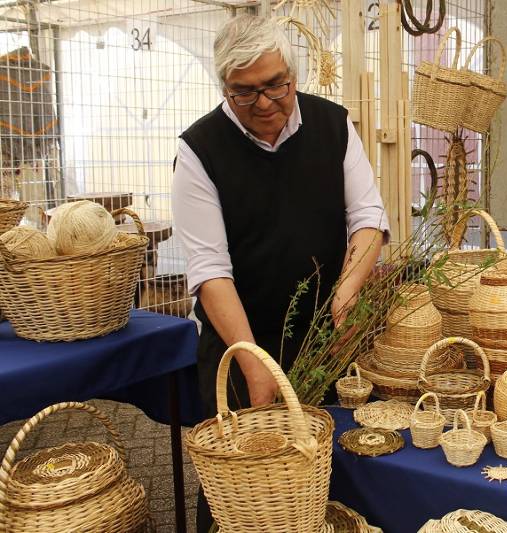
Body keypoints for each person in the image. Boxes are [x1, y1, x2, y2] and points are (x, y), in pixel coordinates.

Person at [172, 14, 388, 532]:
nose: (265, 104)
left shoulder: (334, 127)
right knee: (246, 489)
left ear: (293, 73)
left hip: (325, 337)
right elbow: (210, 270)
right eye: (245, 94)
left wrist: (347, 292)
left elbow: (368, 219)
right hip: (239, 342)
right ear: (224, 88)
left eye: (276, 85)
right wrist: (252, 361)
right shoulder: (199, 150)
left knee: (330, 474)